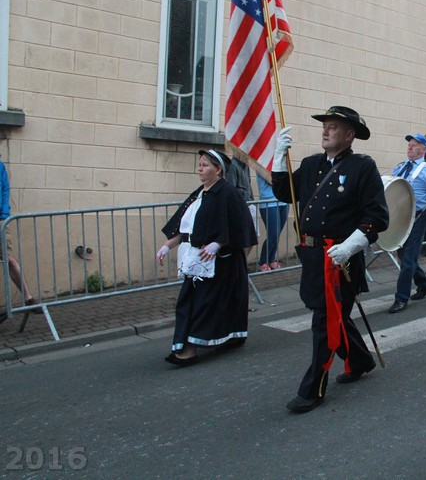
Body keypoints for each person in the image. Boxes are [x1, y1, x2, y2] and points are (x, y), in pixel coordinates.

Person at [272, 106, 389, 413]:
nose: (325, 131)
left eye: (333, 127)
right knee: (334, 316)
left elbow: (377, 217)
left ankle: (313, 389)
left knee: (324, 323)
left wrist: (351, 246)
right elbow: (285, 193)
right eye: (325, 126)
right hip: (313, 257)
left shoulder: (363, 167)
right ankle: (360, 360)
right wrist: (278, 157)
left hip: (341, 261)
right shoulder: (311, 164)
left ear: (349, 135)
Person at [156, 149, 257, 366]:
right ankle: (197, 343)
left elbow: (240, 226)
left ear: (218, 169)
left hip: (222, 262)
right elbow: (184, 226)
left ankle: (190, 349)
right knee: (190, 303)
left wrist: (218, 243)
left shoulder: (228, 193)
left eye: (205, 165)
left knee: (207, 304)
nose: (200, 169)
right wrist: (166, 246)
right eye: (199, 164)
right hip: (196, 260)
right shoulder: (199, 194)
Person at [387, 133, 426, 313]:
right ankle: (425, 284)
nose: (410, 147)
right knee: (404, 255)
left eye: (414, 145)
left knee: (408, 258)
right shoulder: (400, 167)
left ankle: (401, 298)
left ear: (424, 149)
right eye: (409, 144)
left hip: (417, 217)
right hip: (399, 218)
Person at [0, 157, 38, 324]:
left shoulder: (0, 167)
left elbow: (4, 189)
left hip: (0, 220)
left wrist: (3, 214)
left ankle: (29, 299)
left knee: (9, 259)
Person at [256, 172, 288, 271]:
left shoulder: (281, 165)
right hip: (269, 203)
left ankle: (271, 259)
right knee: (273, 234)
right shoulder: (263, 164)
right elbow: (273, 180)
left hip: (283, 201)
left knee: (277, 234)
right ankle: (263, 261)